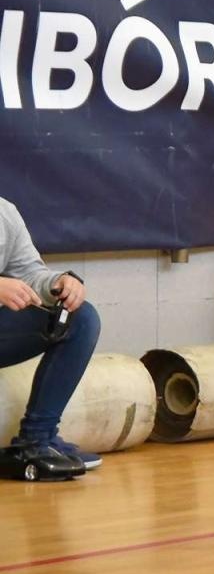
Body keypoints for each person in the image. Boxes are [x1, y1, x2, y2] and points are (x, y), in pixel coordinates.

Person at [0, 198, 101, 479]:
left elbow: (31, 273)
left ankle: (36, 441)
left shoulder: (4, 212)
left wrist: (59, 282)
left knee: (80, 318)